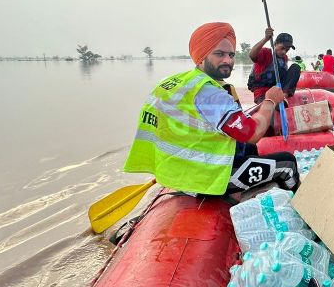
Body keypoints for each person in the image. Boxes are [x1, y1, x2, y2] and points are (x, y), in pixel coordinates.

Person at [124, 22, 299, 196]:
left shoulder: (174, 82)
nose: (228, 60)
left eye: (231, 55)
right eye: (219, 54)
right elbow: (251, 134)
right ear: (201, 55)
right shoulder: (209, 92)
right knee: (288, 163)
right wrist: (270, 101)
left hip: (177, 170)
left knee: (249, 150)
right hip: (206, 177)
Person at [247, 29, 301, 104]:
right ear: (275, 44)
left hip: (278, 91)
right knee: (270, 107)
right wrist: (265, 39)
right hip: (263, 93)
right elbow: (252, 55)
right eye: (282, 48)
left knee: (296, 67)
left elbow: (286, 78)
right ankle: (275, 101)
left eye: (287, 50)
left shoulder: (284, 58)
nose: (284, 52)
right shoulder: (266, 53)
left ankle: (283, 95)